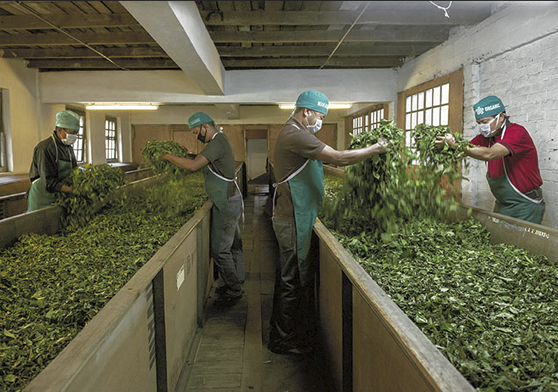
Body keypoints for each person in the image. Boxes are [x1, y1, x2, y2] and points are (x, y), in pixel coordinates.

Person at [269, 90, 390, 355]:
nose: (320, 121)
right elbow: (339, 158)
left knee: (292, 277)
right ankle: (282, 340)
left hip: (297, 215)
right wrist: (376, 148)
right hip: (292, 219)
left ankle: (289, 333)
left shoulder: (298, 133)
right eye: (320, 116)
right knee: (290, 279)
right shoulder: (296, 135)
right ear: (306, 112)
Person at [158, 112, 245, 301]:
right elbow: (198, 158)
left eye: (195, 131)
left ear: (205, 127)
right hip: (231, 199)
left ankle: (235, 288)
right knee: (234, 244)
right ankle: (238, 277)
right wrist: (182, 154)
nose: (195, 135)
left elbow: (193, 166)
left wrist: (167, 156)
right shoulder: (219, 140)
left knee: (220, 250)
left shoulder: (217, 143)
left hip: (225, 201)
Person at [435, 95, 545, 224]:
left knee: (519, 243)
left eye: (485, 122)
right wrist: (445, 145)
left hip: (525, 204)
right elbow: (462, 151)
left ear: (501, 117)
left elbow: (490, 154)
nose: (482, 127)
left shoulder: (516, 132)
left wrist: (456, 144)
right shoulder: (486, 137)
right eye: (479, 123)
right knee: (499, 241)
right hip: (503, 203)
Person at [27, 110, 80, 212]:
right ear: (60, 130)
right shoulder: (45, 148)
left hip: (59, 196)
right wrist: (74, 190)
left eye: (76, 133)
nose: (74, 137)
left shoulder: (68, 148)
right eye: (72, 133)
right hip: (42, 198)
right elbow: (49, 182)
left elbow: (74, 171)